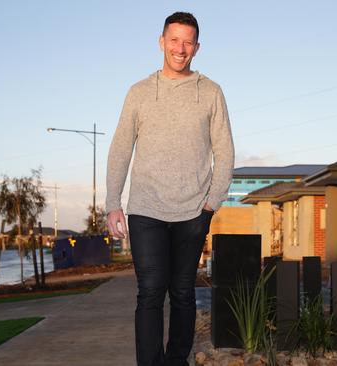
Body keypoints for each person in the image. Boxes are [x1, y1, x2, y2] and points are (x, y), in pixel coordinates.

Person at [105, 11, 234, 366]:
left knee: (182, 293)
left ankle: (176, 361)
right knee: (149, 292)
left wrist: (211, 204)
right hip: (145, 209)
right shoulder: (139, 93)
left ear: (197, 47)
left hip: (193, 211)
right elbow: (120, 149)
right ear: (161, 42)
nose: (180, 48)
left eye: (187, 42)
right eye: (174, 40)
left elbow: (225, 152)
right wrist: (113, 203)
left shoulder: (210, 92)